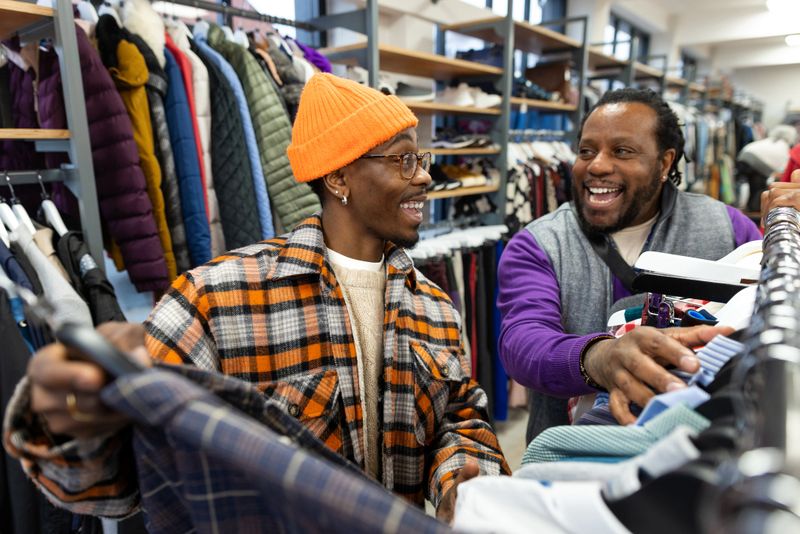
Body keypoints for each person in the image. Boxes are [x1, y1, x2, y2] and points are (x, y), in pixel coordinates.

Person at [6, 73, 508, 523]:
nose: (423, 175)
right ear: (338, 178)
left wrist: (463, 477)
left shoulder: (435, 307)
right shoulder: (214, 300)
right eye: (403, 158)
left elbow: (458, 417)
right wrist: (73, 422)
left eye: (421, 158)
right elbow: (124, 482)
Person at [497, 88, 763, 441]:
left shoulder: (726, 228)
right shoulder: (539, 243)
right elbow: (523, 341)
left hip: (699, 452)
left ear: (665, 163)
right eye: (586, 151)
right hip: (570, 463)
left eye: (622, 151)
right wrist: (597, 358)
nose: (597, 165)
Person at [736, 124, 797, 211]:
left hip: (743, 156)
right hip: (755, 162)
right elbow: (784, 166)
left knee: (750, 186)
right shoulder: (783, 145)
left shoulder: (770, 140)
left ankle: (749, 207)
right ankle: (755, 210)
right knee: (759, 188)